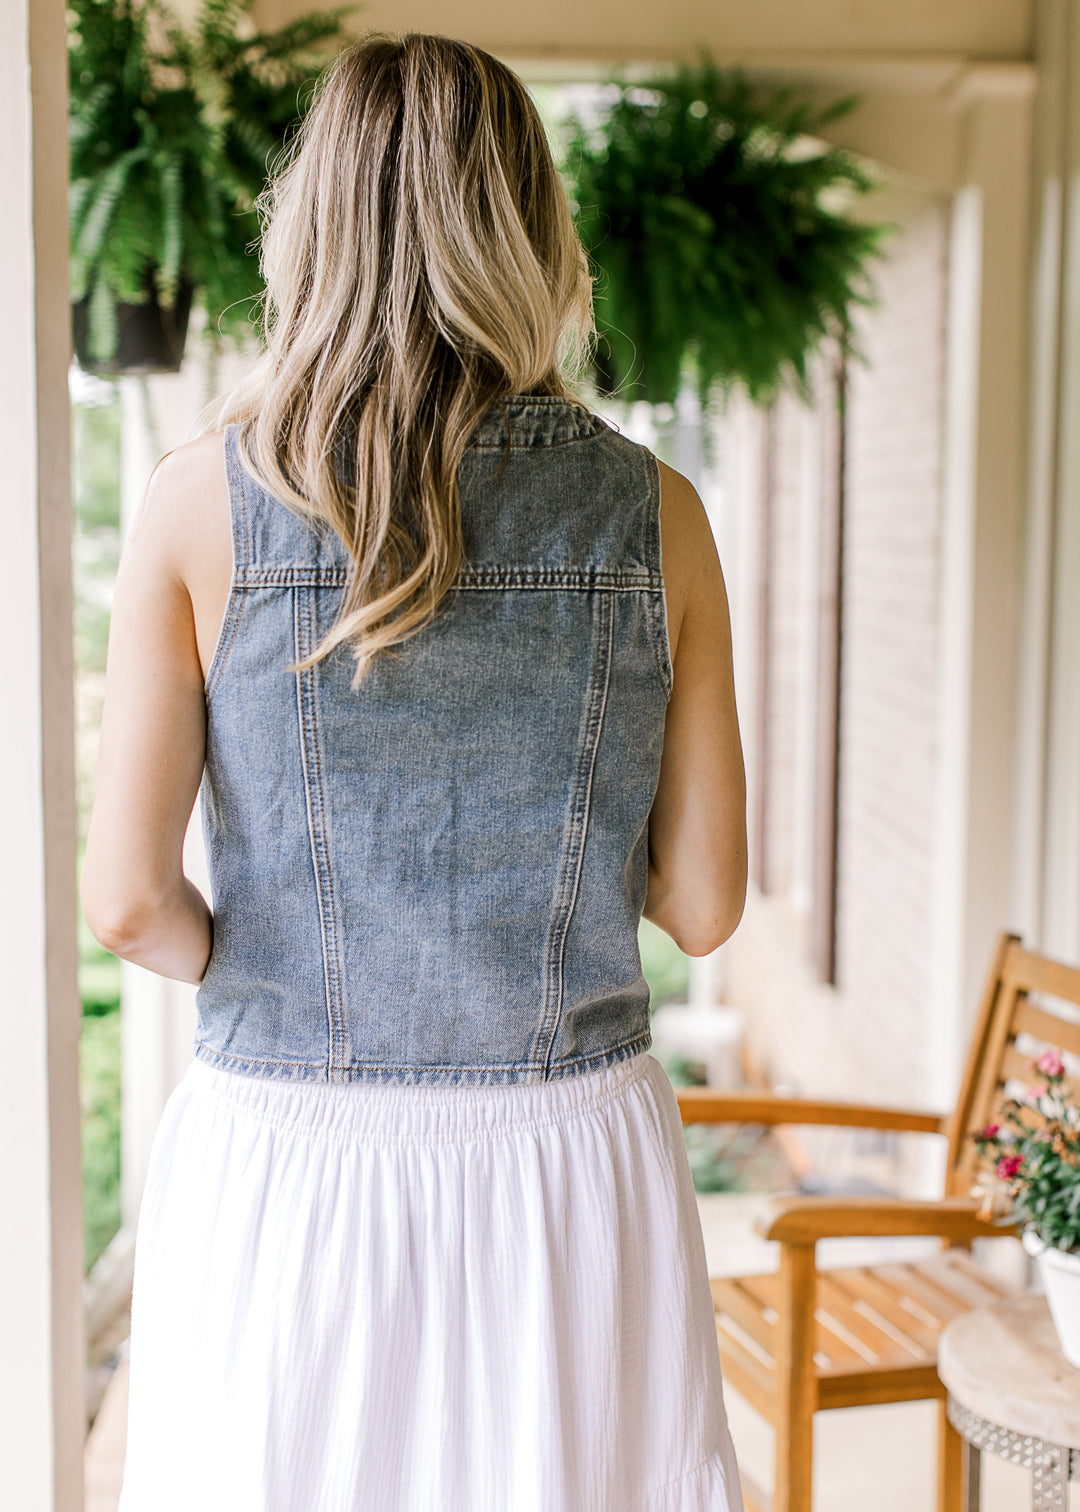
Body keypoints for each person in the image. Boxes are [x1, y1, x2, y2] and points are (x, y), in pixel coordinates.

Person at [81, 31, 748, 1512]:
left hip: (289, 1156)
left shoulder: (202, 500)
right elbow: (702, 907)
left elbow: (127, 902)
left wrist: (258, 951)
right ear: (532, 229)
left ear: (309, 224)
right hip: (566, 1160)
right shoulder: (660, 512)